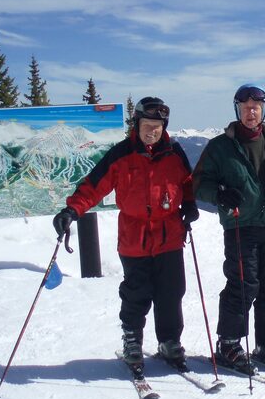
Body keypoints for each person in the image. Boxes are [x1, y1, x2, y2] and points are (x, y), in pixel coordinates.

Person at [52, 97, 199, 368]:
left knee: (172, 291)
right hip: (135, 237)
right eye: (147, 124)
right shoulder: (121, 154)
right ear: (137, 124)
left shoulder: (174, 153)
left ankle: (169, 341)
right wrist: (72, 211)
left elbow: (187, 182)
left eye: (157, 125)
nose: (151, 130)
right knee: (136, 291)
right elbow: (94, 186)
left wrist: (189, 204)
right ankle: (133, 340)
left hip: (169, 235)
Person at [192, 83, 265, 372]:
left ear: (263, 110)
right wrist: (219, 193)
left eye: (255, 107)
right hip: (240, 225)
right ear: (237, 111)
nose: (250, 112)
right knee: (243, 285)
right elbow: (198, 184)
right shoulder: (220, 147)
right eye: (245, 108)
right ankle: (228, 343)